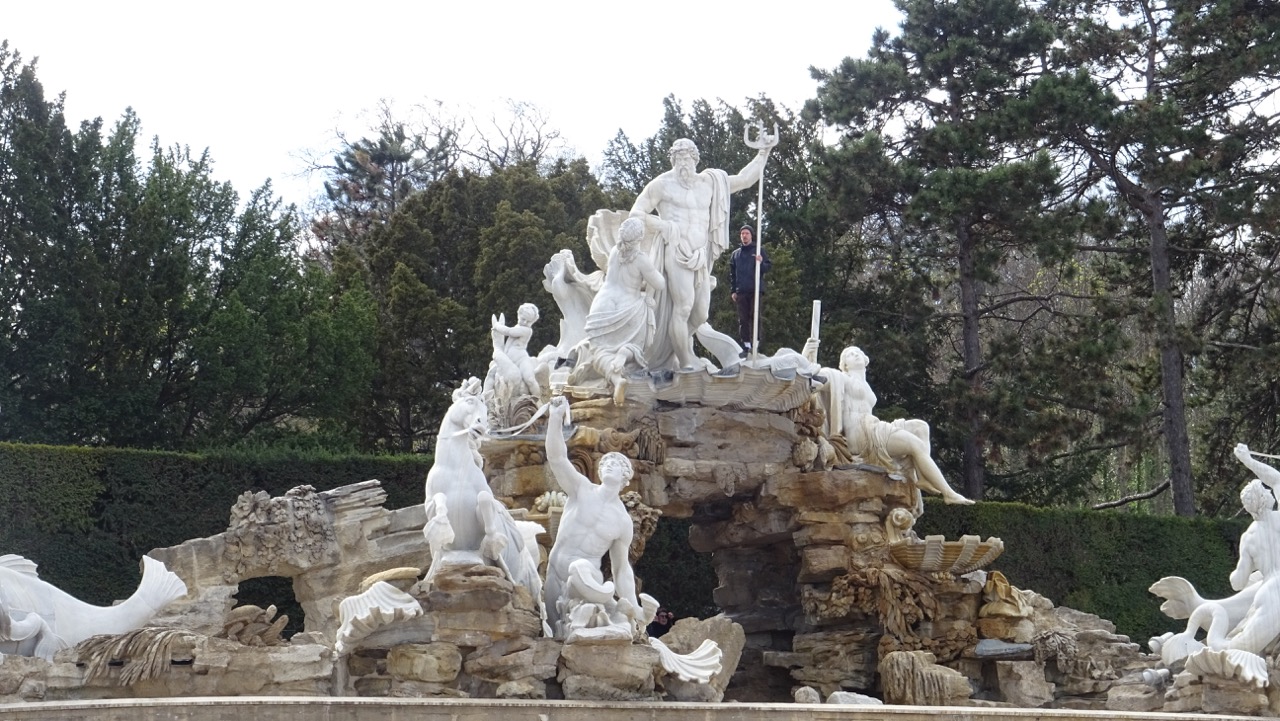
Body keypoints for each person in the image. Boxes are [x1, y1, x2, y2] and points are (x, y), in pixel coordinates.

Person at [629, 138, 772, 370]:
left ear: (696, 158)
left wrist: (763, 153)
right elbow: (635, 213)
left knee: (700, 314)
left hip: (701, 256)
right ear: (672, 159)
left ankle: (672, 347)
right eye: (678, 158)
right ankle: (686, 362)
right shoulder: (661, 184)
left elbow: (745, 180)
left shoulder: (710, 183)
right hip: (676, 251)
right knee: (683, 307)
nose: (683, 162)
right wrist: (662, 226)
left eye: (687, 157)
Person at [819, 346, 973, 505]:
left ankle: (922, 477)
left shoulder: (865, 384)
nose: (855, 355)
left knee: (921, 427)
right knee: (916, 445)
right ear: (844, 365)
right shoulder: (841, 378)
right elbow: (815, 378)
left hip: (873, 425)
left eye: (858, 352)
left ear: (865, 359)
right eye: (849, 355)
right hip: (860, 433)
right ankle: (948, 494)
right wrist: (809, 351)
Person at [543, 396, 641, 636]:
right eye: (605, 463)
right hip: (556, 572)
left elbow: (621, 571)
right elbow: (557, 458)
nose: (608, 466)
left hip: (587, 580)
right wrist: (555, 419)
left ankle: (605, 602)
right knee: (553, 635)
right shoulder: (581, 489)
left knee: (581, 571)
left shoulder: (622, 521)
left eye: (615, 464)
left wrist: (634, 607)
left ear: (625, 477)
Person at [576, 217, 666, 403]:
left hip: (603, 304)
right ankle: (624, 354)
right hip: (628, 308)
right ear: (640, 237)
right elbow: (660, 283)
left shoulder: (615, 251)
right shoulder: (642, 260)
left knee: (599, 351)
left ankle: (617, 378)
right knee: (634, 342)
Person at [729, 225, 771, 356]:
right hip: (741, 290)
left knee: (755, 315)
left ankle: (756, 344)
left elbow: (768, 267)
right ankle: (746, 345)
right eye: (742, 234)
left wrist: (761, 262)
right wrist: (733, 291)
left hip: (755, 289)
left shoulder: (759, 250)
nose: (744, 236)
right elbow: (732, 274)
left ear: (751, 235)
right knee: (743, 319)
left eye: (746, 233)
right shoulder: (735, 254)